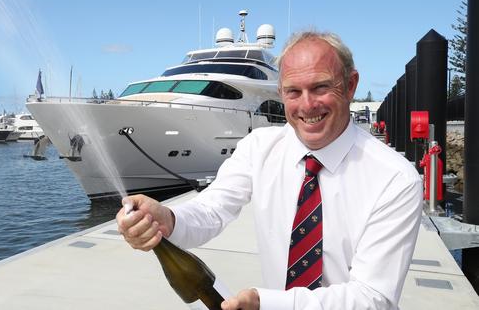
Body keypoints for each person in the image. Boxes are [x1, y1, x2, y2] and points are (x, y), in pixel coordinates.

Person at [116, 31, 422, 310]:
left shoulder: (395, 179)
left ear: (351, 85)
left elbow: (373, 297)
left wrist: (269, 303)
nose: (307, 105)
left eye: (320, 87)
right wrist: (167, 220)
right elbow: (213, 208)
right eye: (293, 91)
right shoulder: (259, 146)